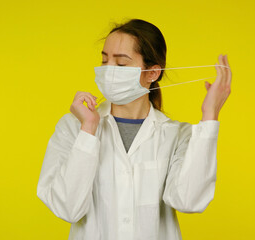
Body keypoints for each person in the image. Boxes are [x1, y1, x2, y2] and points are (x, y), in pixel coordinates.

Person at [37, 18, 232, 240]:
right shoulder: (73, 127)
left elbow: (189, 200)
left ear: (152, 73)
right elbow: (67, 209)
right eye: (104, 61)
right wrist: (88, 130)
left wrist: (210, 117)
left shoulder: (176, 135)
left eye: (121, 64)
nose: (108, 71)